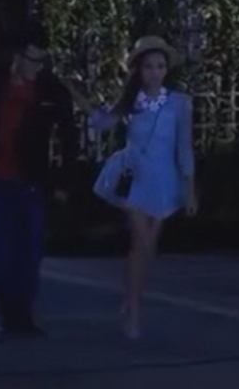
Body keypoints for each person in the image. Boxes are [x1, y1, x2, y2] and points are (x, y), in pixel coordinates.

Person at [65, 36, 198, 340]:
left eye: (160, 66)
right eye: (149, 66)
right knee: (141, 242)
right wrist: (76, 94)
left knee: (149, 248)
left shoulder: (178, 103)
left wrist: (190, 187)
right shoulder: (130, 102)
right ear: (139, 69)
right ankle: (134, 310)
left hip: (165, 180)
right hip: (135, 176)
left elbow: (184, 147)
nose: (154, 72)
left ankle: (131, 294)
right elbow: (102, 122)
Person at [0, 22, 77, 339]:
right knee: (1, 250)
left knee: (29, 249)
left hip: (31, 178)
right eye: (32, 60)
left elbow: (68, 133)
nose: (37, 67)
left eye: (42, 61)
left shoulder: (48, 89)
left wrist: (64, 179)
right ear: (17, 57)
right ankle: (8, 314)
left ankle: (23, 314)